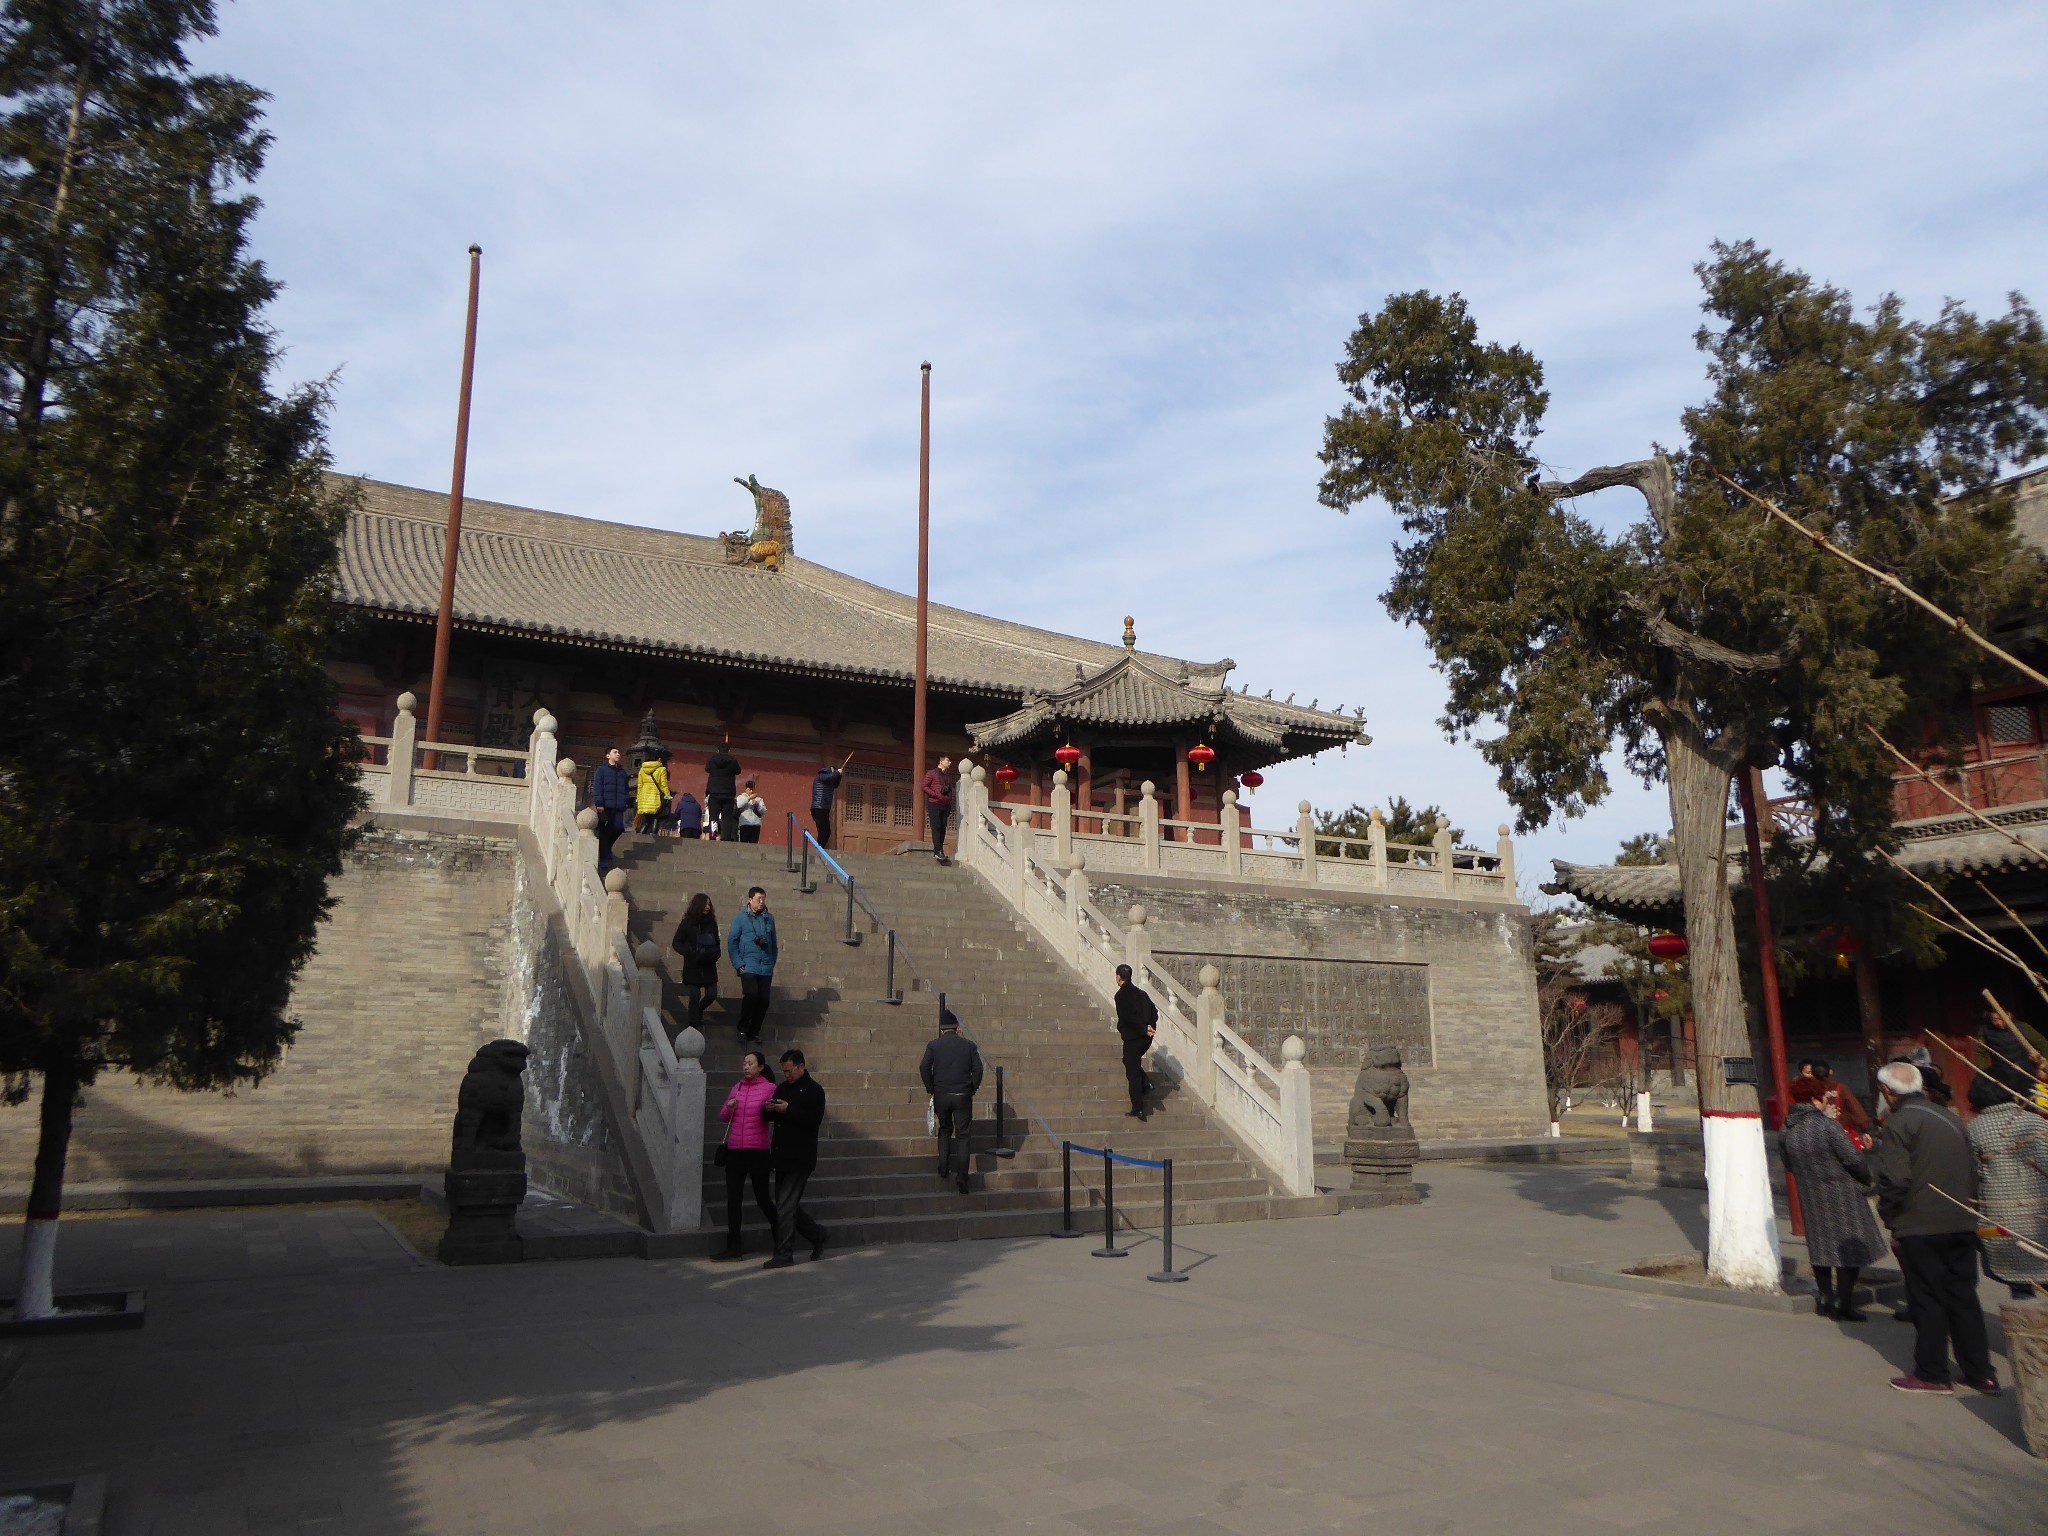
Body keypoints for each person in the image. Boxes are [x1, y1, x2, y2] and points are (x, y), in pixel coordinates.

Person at [1874, 1061, 1998, 1395]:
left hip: (1921, 1223)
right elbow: (1973, 1172)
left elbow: (1895, 1179)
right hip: (1960, 1220)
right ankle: (1980, 1372)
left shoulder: (1899, 1122)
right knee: (1963, 1297)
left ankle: (1932, 1373)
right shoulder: (1950, 1117)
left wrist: (1889, 1214)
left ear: (1888, 1092)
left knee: (1928, 1298)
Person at [1779, 1074, 1885, 1321]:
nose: (1826, 1101)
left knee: (1820, 1249)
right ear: (1815, 1100)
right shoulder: (1828, 1127)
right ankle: (1843, 1301)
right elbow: (1853, 1159)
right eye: (1824, 1097)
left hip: (1811, 1195)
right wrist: (1866, 1177)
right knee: (1850, 1249)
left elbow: (1789, 1164)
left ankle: (1825, 1297)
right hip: (1843, 1194)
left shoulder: (1787, 1130)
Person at [1966, 1073, 2048, 1301]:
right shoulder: (2035, 1122)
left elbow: (1972, 1176)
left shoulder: (1974, 1129)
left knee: (2019, 1282)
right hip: (2042, 1210)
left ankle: (2025, 1319)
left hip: (2002, 1214)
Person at [760, 1048, 827, 1268]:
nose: (787, 1075)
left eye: (790, 1070)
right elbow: (769, 1115)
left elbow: (813, 1120)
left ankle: (784, 1253)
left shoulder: (814, 1090)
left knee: (785, 1207)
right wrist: (768, 1109)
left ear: (801, 1067)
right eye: (784, 1071)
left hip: (800, 1157)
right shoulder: (783, 1088)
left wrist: (788, 1110)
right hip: (782, 1156)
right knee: (785, 1205)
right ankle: (816, 1234)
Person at [714, 1049, 779, 1260]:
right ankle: (733, 1247)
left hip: (757, 1150)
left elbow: (771, 1115)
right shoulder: (738, 1087)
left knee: (763, 1199)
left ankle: (782, 1241)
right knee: (733, 1199)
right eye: (744, 1063)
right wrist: (729, 1107)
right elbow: (723, 1117)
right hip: (735, 1151)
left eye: (750, 1063)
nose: (746, 1067)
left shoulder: (770, 1088)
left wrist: (769, 1108)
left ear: (760, 1067)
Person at [919, 1009, 984, 1195]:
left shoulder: (933, 1045)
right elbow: (978, 1070)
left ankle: (943, 1166)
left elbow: (924, 1067)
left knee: (945, 1129)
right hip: (962, 1094)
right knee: (963, 1135)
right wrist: (972, 1088)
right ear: (957, 1028)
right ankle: (962, 1177)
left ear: (941, 1030)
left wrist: (931, 1087)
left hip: (942, 1094)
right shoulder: (969, 1045)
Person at [729, 885, 778, 1042]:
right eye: (759, 899)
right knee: (751, 995)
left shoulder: (769, 918)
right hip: (748, 965)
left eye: (763, 899)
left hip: (766, 966)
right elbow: (732, 942)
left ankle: (754, 1031)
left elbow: (774, 943)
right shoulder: (740, 918)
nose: (762, 902)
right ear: (750, 900)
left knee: (764, 1001)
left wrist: (772, 962)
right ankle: (742, 1027)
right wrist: (738, 964)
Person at [669, 892, 720, 1030]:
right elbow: (676, 942)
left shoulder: (712, 923)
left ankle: (699, 1011)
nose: (707, 907)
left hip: (709, 966)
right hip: (693, 967)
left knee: (711, 994)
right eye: (705, 904)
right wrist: (690, 952)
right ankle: (693, 1024)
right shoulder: (687, 923)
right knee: (694, 995)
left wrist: (715, 953)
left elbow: (717, 942)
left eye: (709, 904)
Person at [1113, 963, 1158, 1120]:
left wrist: (1143, 1028)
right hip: (1145, 1039)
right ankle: (1146, 1083)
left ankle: (1138, 1108)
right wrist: (1150, 1026)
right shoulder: (1142, 994)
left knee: (1133, 1073)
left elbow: (1127, 1017)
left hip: (1133, 1037)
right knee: (1129, 1061)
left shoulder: (1120, 996)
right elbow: (1154, 1012)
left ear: (1119, 977)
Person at [1798, 1057, 1872, 1144]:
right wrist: (1864, 1130)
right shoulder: (1841, 1088)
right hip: (1840, 1134)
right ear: (1830, 1072)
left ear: (1813, 1074)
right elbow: (1856, 1111)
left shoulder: (1808, 1091)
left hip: (1816, 1137)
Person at [588, 745, 632, 872]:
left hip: (618, 807)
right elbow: (598, 788)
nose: (618, 754)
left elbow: (626, 789)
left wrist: (625, 801)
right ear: (608, 756)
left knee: (619, 829)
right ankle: (603, 858)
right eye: (615, 752)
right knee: (605, 832)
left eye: (618, 752)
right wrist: (599, 803)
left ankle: (606, 849)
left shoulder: (622, 773)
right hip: (606, 807)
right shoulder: (601, 771)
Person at [704, 738, 742, 842]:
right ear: (729, 750)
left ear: (718, 750)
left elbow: (707, 769)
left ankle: (713, 834)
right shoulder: (733, 761)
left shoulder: (712, 760)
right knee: (727, 817)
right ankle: (726, 837)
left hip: (714, 792)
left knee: (714, 816)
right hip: (728, 793)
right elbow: (738, 771)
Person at [922, 754, 955, 861]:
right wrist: (935, 794)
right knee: (936, 827)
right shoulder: (931, 773)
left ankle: (939, 850)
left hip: (945, 805)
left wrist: (949, 800)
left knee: (943, 827)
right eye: (947, 760)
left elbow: (950, 790)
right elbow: (924, 786)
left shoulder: (948, 776)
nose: (949, 762)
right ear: (941, 762)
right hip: (934, 804)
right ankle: (938, 850)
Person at [635, 749, 671, 836]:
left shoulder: (642, 769)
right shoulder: (661, 769)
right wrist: (668, 795)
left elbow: (640, 785)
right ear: (659, 759)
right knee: (656, 816)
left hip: (644, 796)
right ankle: (653, 833)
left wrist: (638, 797)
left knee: (647, 819)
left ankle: (640, 834)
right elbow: (663, 784)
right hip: (655, 796)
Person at [811, 759, 846, 849]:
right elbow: (831, 777)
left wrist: (839, 776)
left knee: (825, 831)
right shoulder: (821, 776)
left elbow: (835, 784)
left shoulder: (828, 780)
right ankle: (819, 849)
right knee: (824, 831)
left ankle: (819, 848)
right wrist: (837, 772)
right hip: (819, 808)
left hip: (823, 808)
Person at [736, 778, 766, 844]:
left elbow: (764, 811)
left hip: (756, 825)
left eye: (752, 789)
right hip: (744, 824)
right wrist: (748, 798)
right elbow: (738, 805)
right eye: (749, 789)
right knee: (743, 844)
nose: (751, 791)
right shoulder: (741, 797)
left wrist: (757, 805)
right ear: (746, 789)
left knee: (754, 845)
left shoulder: (759, 799)